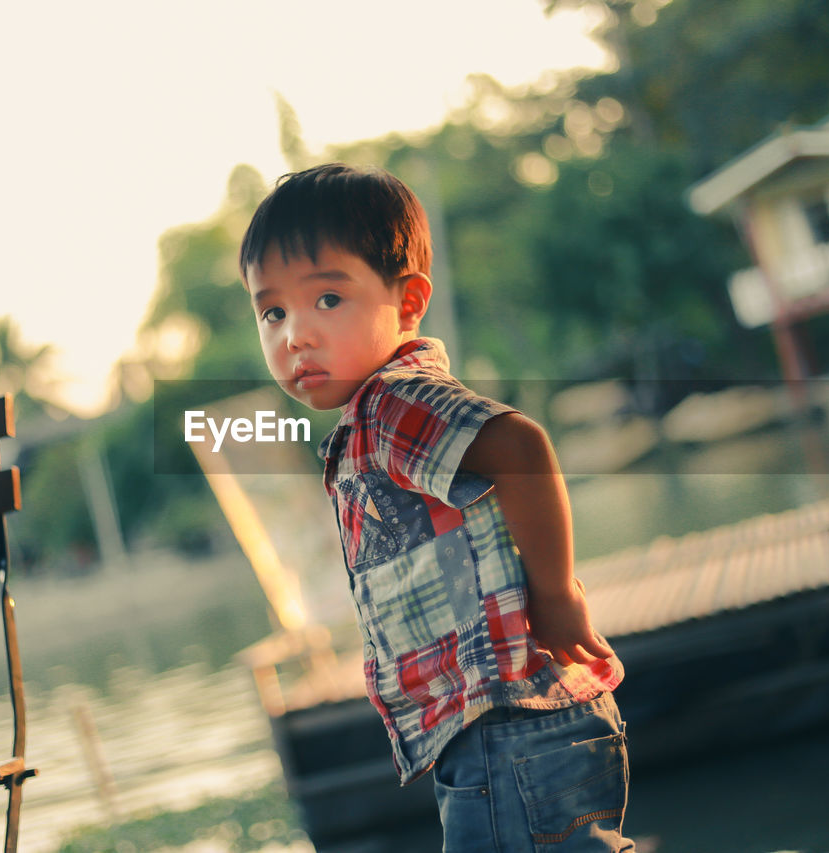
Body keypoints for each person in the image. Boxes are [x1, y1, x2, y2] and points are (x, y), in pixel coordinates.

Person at [239, 162, 633, 852]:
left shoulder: (393, 402)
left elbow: (521, 445)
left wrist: (557, 593)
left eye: (327, 299)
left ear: (409, 301)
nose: (295, 334)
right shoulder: (378, 410)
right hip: (508, 725)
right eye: (273, 311)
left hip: (505, 722)